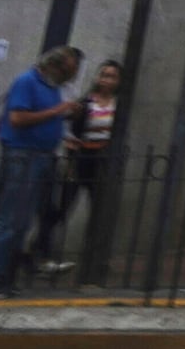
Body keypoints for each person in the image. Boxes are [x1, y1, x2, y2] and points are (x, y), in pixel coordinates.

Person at [0, 43, 83, 293]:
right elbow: (17, 118)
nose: (70, 79)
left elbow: (46, 117)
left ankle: (5, 278)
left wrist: (65, 118)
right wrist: (57, 110)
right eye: (68, 72)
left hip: (42, 156)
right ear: (54, 66)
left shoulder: (52, 88)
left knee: (22, 223)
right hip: (22, 157)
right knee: (9, 221)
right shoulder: (27, 82)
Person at [32, 56, 122, 274]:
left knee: (100, 212)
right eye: (103, 75)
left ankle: (95, 259)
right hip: (82, 158)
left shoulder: (118, 105)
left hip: (103, 159)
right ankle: (39, 251)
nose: (106, 80)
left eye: (112, 76)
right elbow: (70, 128)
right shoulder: (85, 103)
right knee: (62, 207)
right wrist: (71, 150)